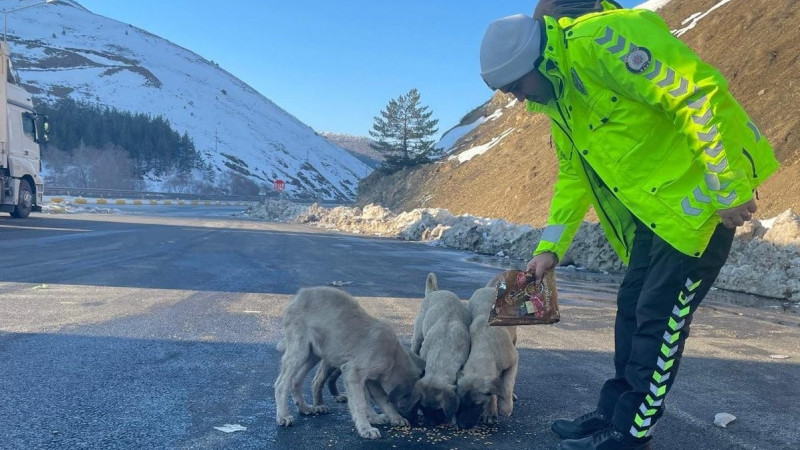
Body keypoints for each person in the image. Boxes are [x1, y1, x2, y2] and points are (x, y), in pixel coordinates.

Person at [478, 2, 779, 450]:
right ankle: (611, 414)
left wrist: (729, 186)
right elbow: (573, 174)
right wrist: (550, 247)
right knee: (632, 312)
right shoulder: (560, 98)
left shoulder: (606, 41)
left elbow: (695, 94)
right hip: (654, 215)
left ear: (535, 61)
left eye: (517, 88)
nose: (519, 100)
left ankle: (632, 431)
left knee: (660, 321)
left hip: (702, 207)